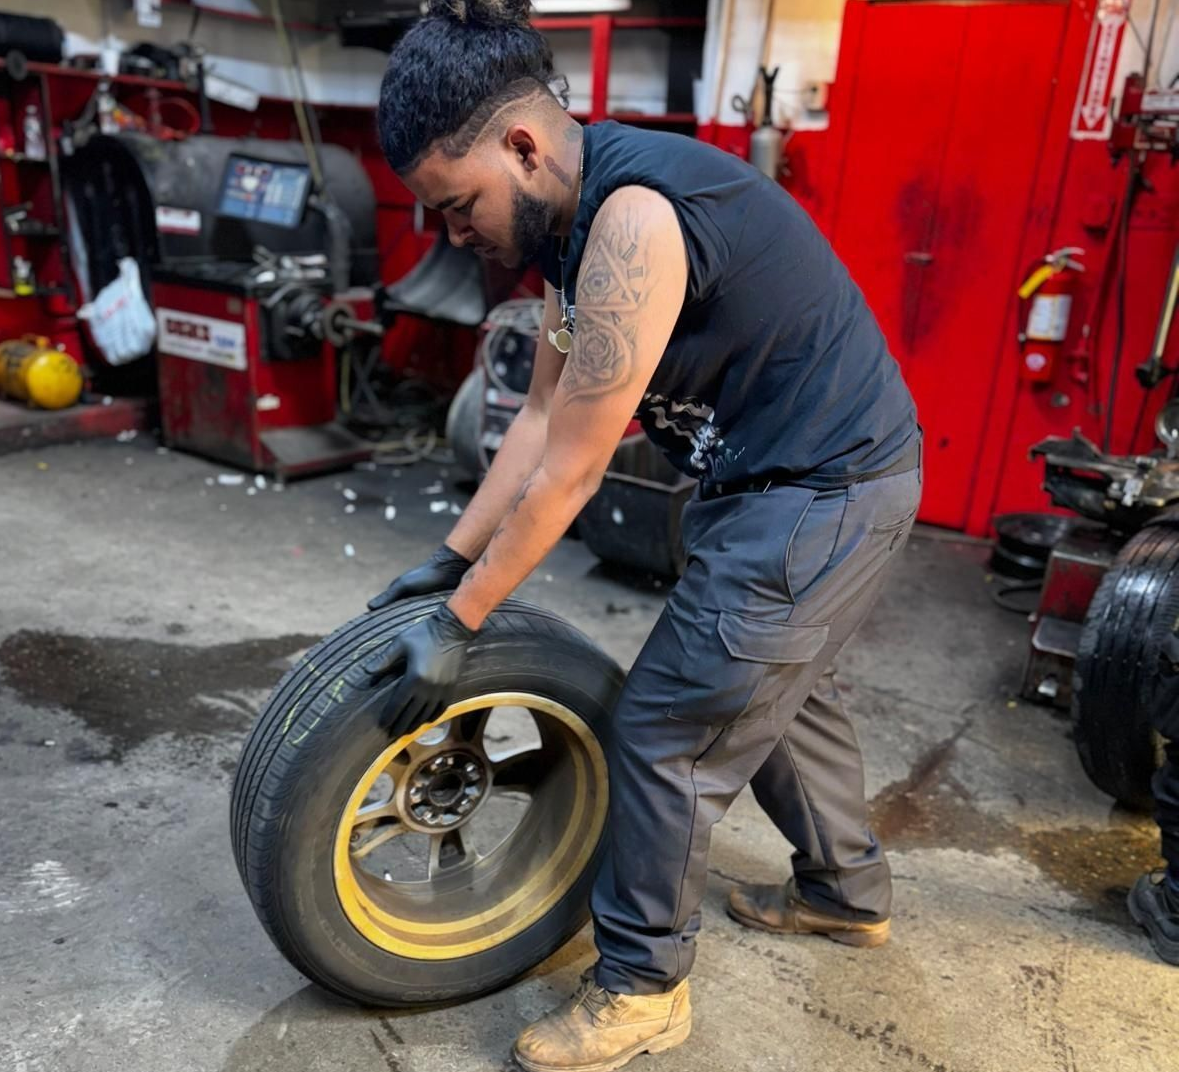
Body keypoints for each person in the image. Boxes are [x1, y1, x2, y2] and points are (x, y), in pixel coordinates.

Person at [365, 3, 921, 1069]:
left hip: (827, 487)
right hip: (770, 480)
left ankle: (640, 989)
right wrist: (450, 558)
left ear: (520, 146)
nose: (453, 233)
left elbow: (573, 470)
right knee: (772, 693)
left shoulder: (633, 222)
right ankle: (846, 894)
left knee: (667, 727)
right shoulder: (565, 231)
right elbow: (538, 417)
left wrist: (463, 618)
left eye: (457, 204)